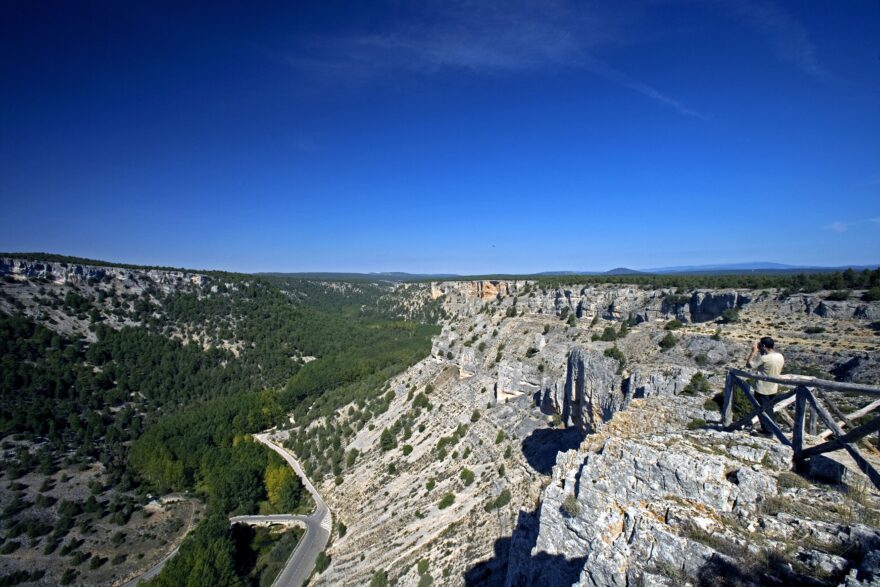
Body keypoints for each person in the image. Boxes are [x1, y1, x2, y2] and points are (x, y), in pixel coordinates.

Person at [745, 336, 784, 434]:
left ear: (763, 345)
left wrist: (754, 351)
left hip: (762, 388)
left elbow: (749, 365)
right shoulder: (780, 356)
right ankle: (771, 428)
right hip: (773, 387)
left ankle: (768, 431)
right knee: (769, 409)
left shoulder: (765, 358)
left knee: (762, 410)